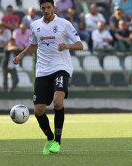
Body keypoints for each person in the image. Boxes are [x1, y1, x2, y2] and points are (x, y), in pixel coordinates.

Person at [13, 0, 83, 155]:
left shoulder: (64, 24)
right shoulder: (35, 25)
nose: (45, 10)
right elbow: (33, 44)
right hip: (42, 71)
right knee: (38, 111)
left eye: (48, 7)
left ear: (54, 8)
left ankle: (57, 142)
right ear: (40, 9)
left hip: (61, 68)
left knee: (58, 103)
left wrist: (67, 46)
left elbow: (80, 44)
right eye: (43, 8)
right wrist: (20, 55)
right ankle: (50, 138)